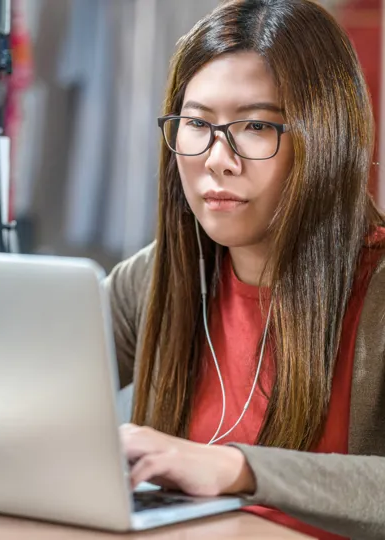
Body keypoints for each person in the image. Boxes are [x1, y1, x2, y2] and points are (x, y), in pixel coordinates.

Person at [104, 0, 385, 538]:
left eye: (256, 125)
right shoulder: (153, 278)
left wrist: (237, 468)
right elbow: (24, 403)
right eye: (196, 123)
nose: (217, 157)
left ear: (326, 138)